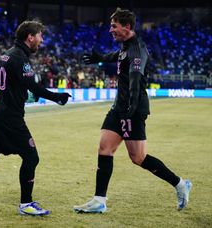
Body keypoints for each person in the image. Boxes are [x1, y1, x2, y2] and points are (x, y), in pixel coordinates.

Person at [73, 8, 192, 213]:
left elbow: (136, 80)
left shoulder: (136, 49)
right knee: (104, 148)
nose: (111, 30)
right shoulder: (125, 47)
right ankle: (99, 200)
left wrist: (132, 107)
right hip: (119, 107)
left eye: (114, 26)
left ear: (126, 27)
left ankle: (180, 184)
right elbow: (117, 57)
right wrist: (99, 57)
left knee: (138, 158)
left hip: (132, 109)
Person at [0, 20, 71, 216]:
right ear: (30, 37)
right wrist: (57, 97)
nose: (41, 40)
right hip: (10, 117)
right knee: (31, 157)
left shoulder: (8, 54)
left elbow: (18, 86)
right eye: (40, 36)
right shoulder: (20, 57)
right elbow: (33, 87)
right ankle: (26, 204)